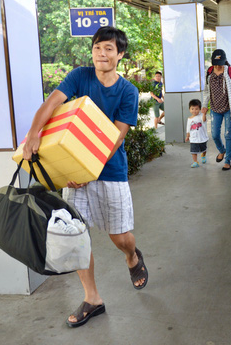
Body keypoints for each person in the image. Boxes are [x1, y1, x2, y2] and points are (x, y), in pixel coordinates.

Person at [22, 26, 148, 328]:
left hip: (110, 171)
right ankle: (93, 298)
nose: (101, 54)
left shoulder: (128, 92)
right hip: (77, 174)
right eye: (97, 48)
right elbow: (51, 104)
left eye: (108, 49)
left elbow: (115, 138)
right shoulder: (80, 77)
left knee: (120, 237)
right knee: (76, 236)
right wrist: (32, 134)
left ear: (120, 54)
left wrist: (84, 170)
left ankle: (132, 256)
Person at [203, 48, 231, 171]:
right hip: (214, 108)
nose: (218, 67)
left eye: (220, 64)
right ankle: (222, 150)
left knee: (228, 135)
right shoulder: (209, 72)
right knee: (214, 135)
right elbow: (206, 91)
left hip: (229, 108)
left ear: (224, 62)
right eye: (215, 64)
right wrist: (204, 105)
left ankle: (228, 161)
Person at [185, 99, 208, 167]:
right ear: (189, 109)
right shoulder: (189, 119)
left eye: (196, 109)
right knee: (193, 151)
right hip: (193, 138)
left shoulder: (201, 116)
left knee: (204, 149)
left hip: (202, 137)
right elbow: (188, 129)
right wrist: (187, 136)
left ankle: (203, 156)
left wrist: (204, 114)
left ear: (200, 109)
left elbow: (204, 120)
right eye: (192, 109)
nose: (194, 111)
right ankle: (195, 162)